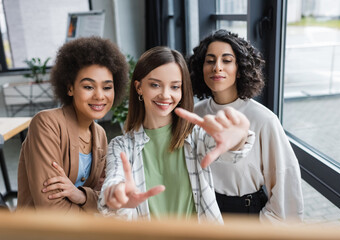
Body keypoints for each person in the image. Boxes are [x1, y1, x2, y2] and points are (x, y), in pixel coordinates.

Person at [98, 46, 254, 223]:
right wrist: (117, 197)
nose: (165, 95)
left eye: (175, 87)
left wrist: (238, 138)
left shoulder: (195, 136)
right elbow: (114, 182)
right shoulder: (120, 146)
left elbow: (231, 152)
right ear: (139, 87)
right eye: (155, 85)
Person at [188, 29, 304, 223]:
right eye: (210, 61)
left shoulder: (263, 119)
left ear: (240, 69)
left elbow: (286, 184)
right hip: (202, 211)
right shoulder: (195, 114)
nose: (217, 67)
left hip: (246, 215)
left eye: (226, 60)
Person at [17, 36, 129, 213]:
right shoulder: (47, 124)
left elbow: (105, 198)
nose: (100, 96)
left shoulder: (99, 135)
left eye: (107, 87)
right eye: (88, 87)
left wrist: (82, 196)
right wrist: (95, 206)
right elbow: (51, 209)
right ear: (70, 88)